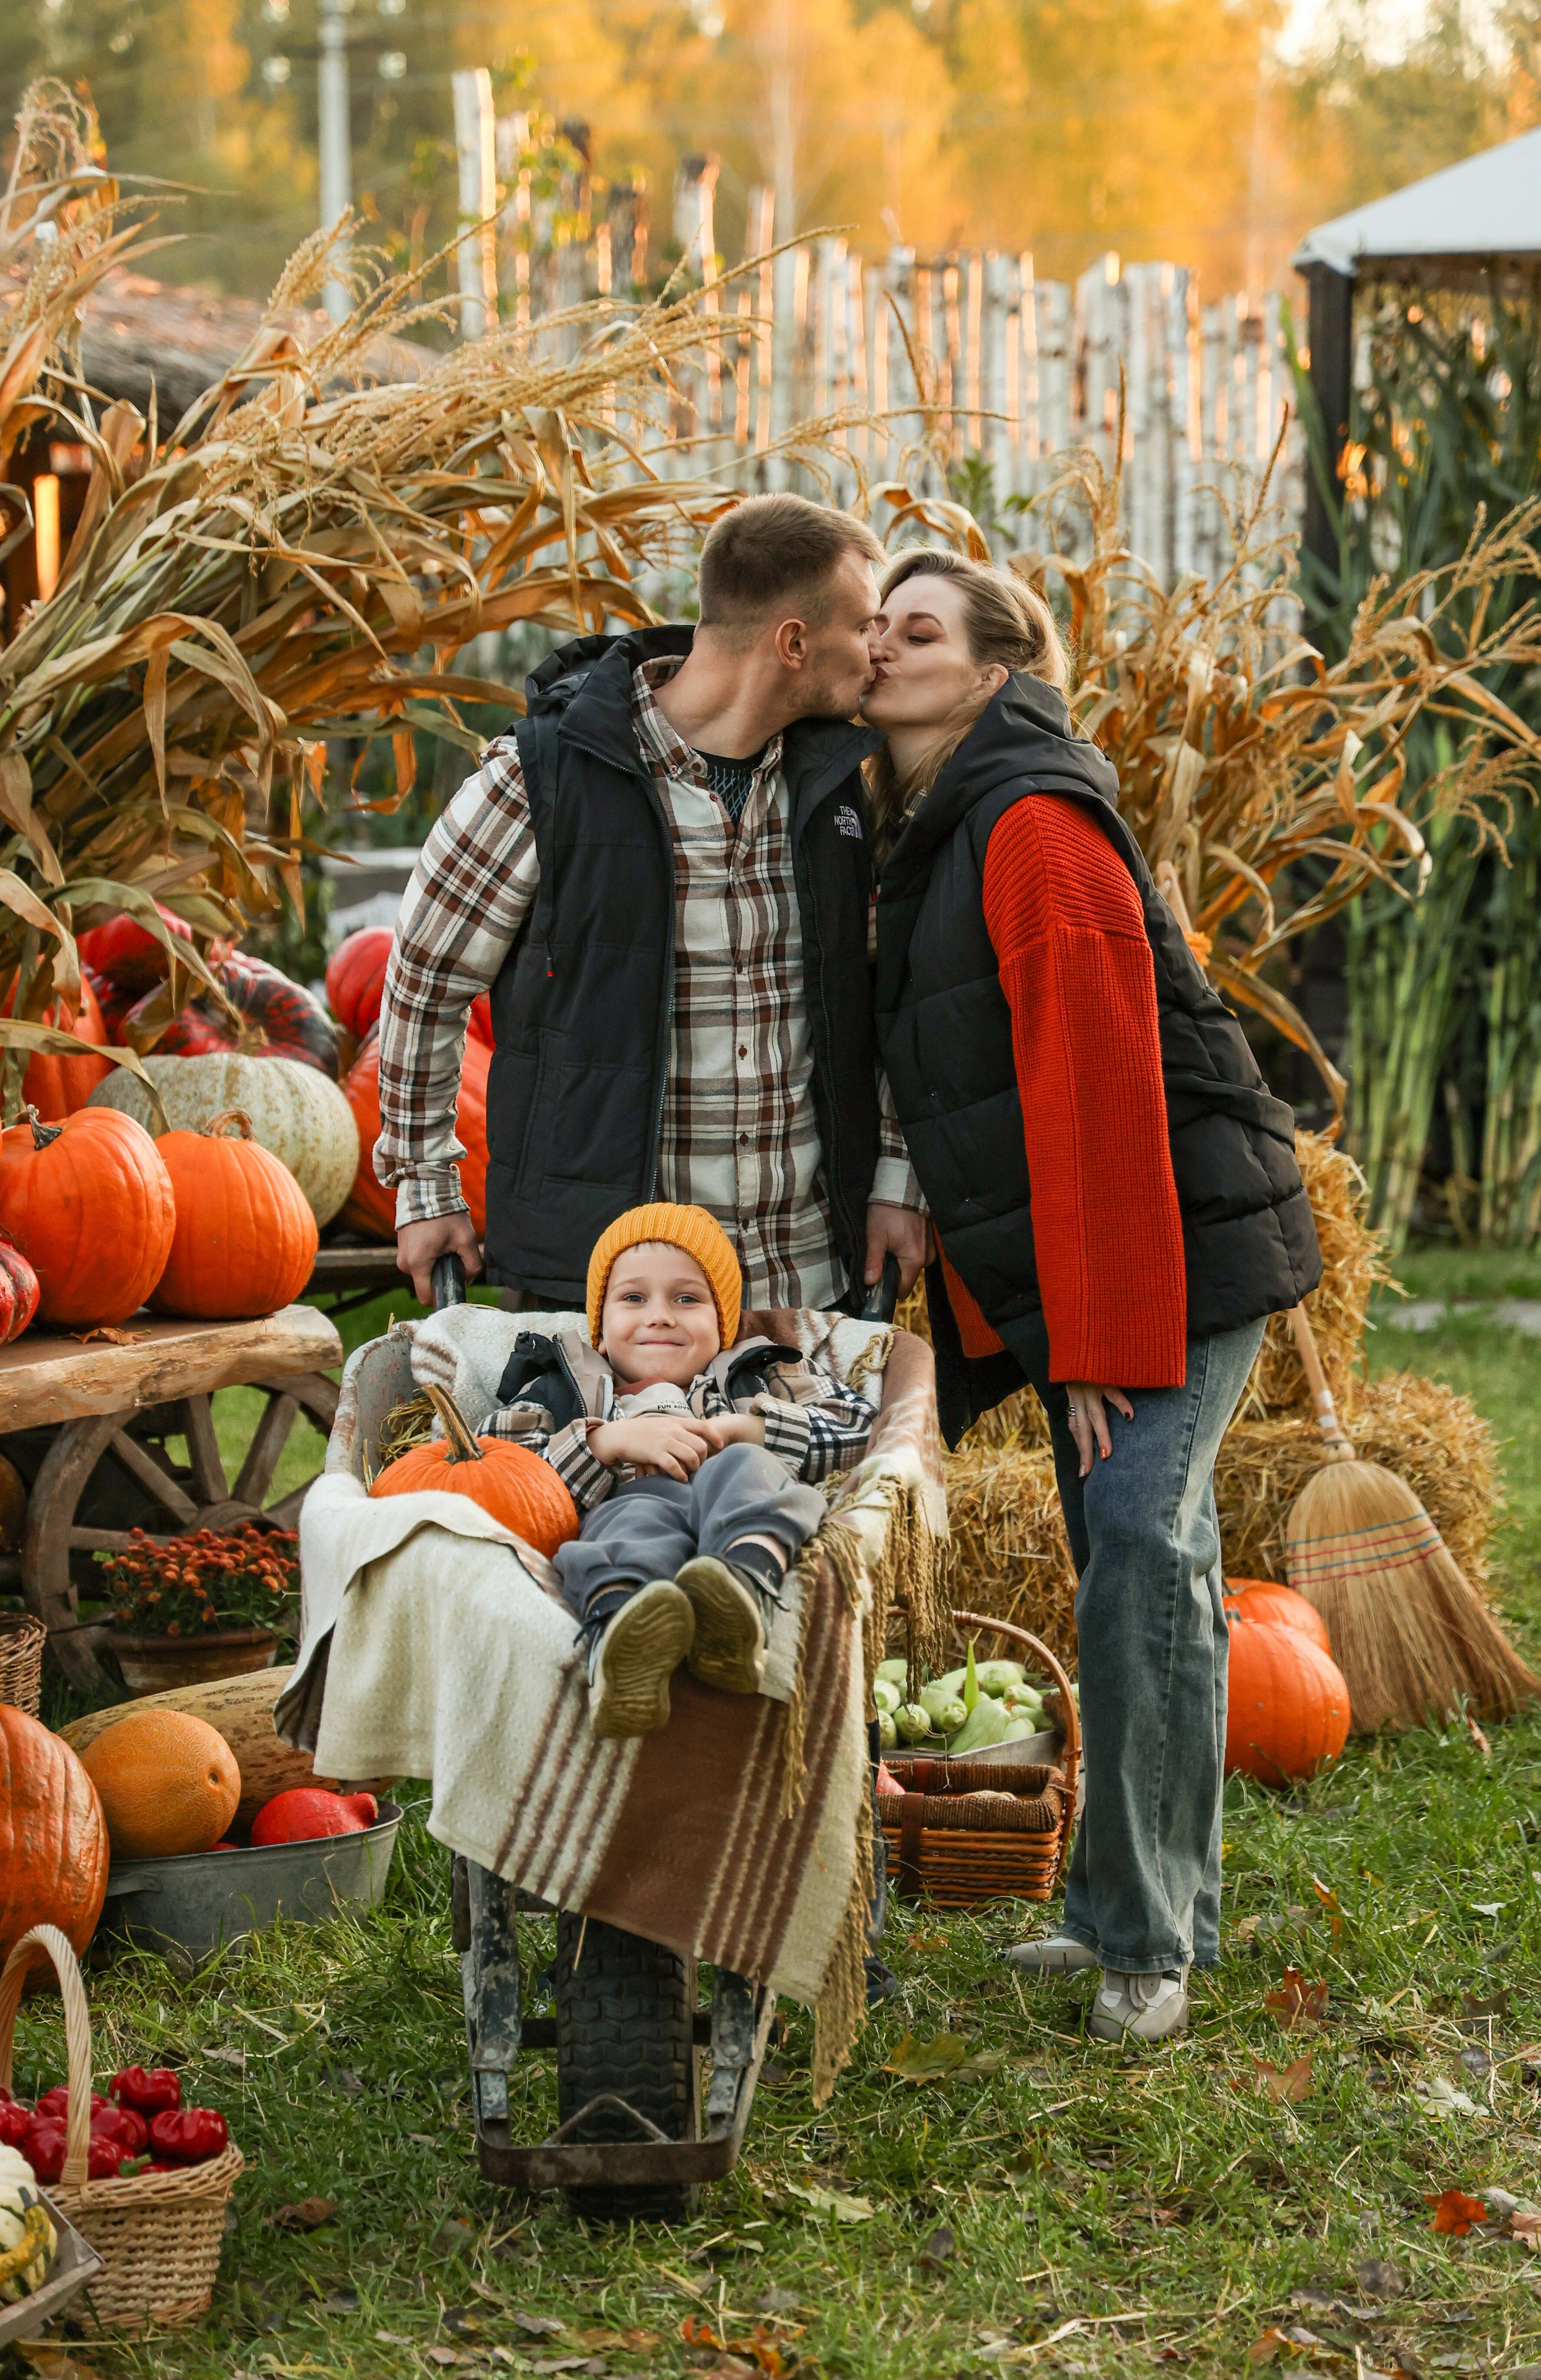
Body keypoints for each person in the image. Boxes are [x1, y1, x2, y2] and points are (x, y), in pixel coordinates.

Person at [864, 549, 1323, 2044]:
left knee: (1133, 1547)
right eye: (874, 622)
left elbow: (1097, 1100)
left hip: (1171, 1244)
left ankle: (1140, 1941)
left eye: (914, 628)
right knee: (1150, 1560)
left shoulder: (1032, 829)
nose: (880, 646)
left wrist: (1094, 1336)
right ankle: (1143, 1908)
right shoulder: (940, 822)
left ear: (993, 672)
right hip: (1129, 1244)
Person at [374, 493, 928, 1316]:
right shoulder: (540, 781)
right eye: (863, 627)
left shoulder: (838, 791)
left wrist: (894, 1177)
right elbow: (425, 982)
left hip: (805, 1283)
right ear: (794, 642)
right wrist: (427, 1187)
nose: (879, 652)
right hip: (618, 1296)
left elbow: (887, 1002)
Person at [478, 1202, 878, 1739]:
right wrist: (603, 1441)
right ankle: (625, 1644)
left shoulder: (758, 1375)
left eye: (687, 1299)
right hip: (632, 1505)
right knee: (628, 1522)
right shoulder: (564, 1382)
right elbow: (495, 1461)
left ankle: (738, 1599)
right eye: (633, 1299)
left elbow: (864, 1427)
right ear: (600, 1327)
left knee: (746, 1468)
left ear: (723, 1325)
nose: (660, 1315)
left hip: (734, 1509)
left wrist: (753, 1430)